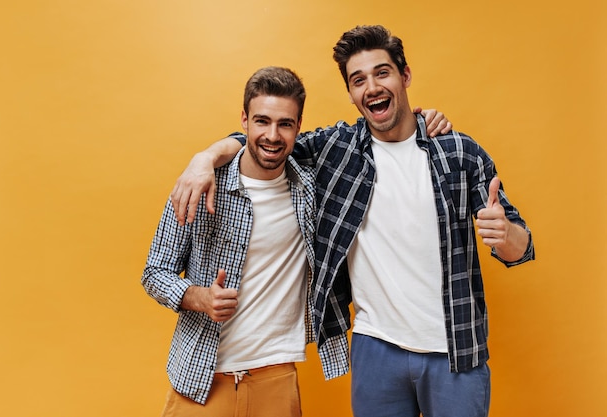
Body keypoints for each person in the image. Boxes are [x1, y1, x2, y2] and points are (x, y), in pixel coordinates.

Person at [170, 25, 535, 417]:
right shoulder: (338, 149)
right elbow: (269, 140)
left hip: (456, 349)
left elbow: (521, 248)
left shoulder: (460, 153)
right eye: (358, 80)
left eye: (382, 73)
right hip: (375, 349)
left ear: (405, 76)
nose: (372, 87)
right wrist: (204, 157)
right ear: (351, 93)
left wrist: (504, 233)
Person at [142, 66, 340, 417]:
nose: (273, 135)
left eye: (285, 124)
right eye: (262, 121)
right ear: (244, 120)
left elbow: (370, 135)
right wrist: (198, 297)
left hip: (276, 377)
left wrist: (425, 120)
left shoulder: (310, 188)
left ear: (298, 126)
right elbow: (154, 272)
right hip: (202, 377)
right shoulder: (200, 184)